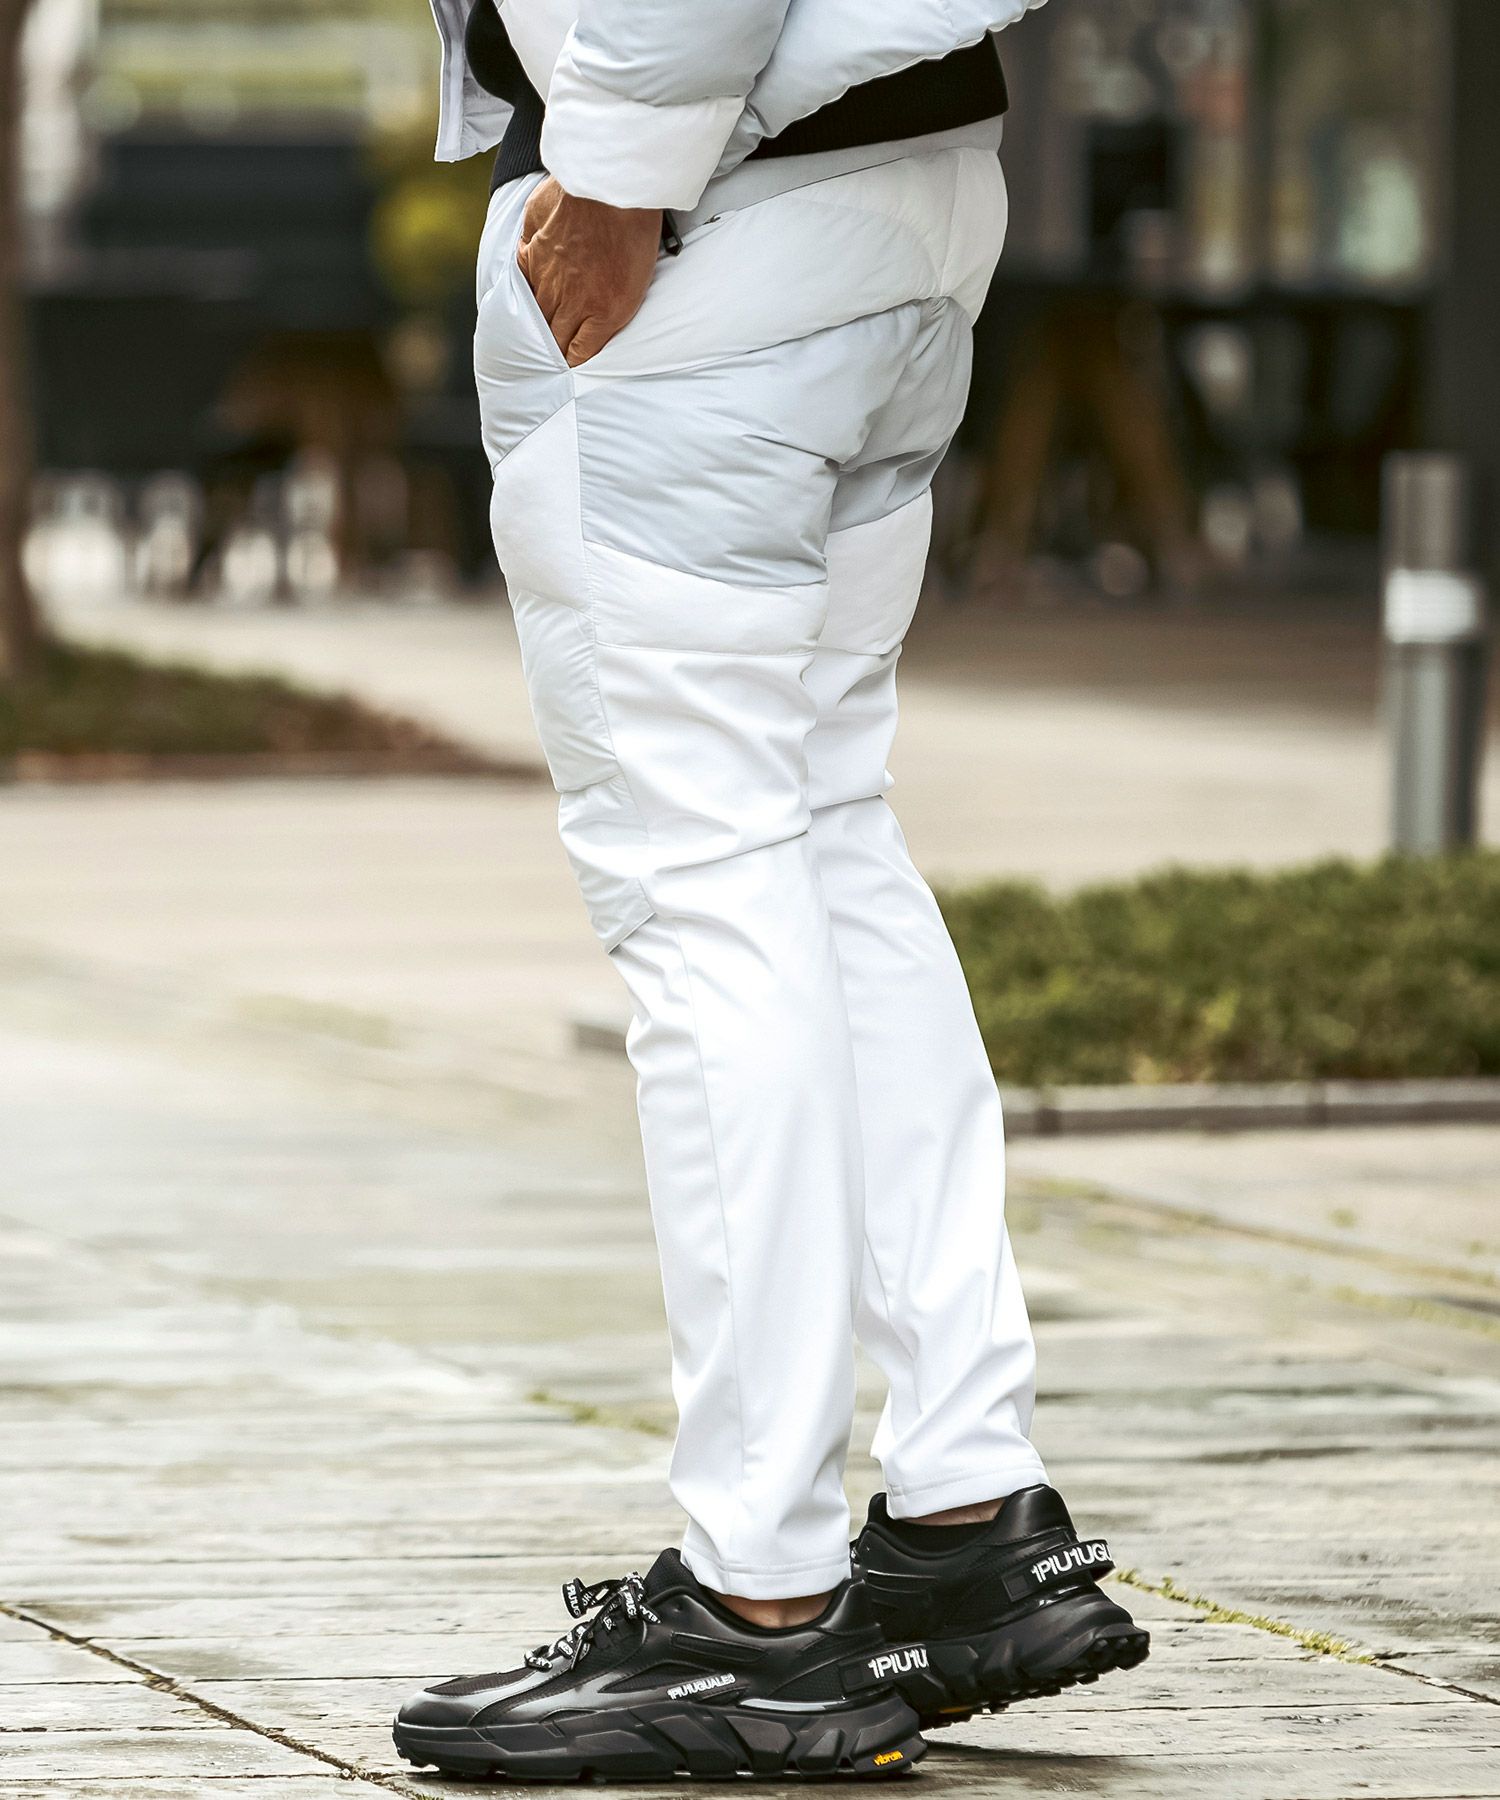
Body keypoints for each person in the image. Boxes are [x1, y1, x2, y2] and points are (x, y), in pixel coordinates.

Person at [395, 0, 1148, 1780]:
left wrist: (614, 168)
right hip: (902, 184)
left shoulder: (651, 179)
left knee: (707, 882)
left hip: (707, 215)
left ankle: (758, 1603)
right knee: (820, 830)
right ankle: (966, 1510)